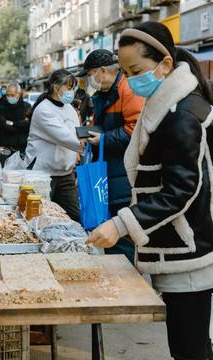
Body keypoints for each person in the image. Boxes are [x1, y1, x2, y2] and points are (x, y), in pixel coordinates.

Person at [86, 22, 213, 360]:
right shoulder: (164, 103)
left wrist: (121, 224)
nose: (129, 80)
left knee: (189, 350)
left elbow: (181, 190)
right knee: (194, 348)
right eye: (125, 72)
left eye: (136, 70)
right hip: (182, 244)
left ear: (165, 64)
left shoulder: (182, 113)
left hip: (192, 251)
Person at [78, 48, 145, 264]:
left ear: (103, 71)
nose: (89, 80)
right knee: (109, 233)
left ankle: (127, 284)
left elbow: (135, 129)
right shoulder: (104, 94)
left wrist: (103, 139)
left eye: (90, 75)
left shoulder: (128, 90)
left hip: (123, 175)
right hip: (109, 173)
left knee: (122, 237)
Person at [25, 70, 84, 221]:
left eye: (72, 88)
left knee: (74, 217)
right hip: (42, 174)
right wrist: (88, 144)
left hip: (65, 174)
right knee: (39, 218)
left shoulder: (69, 108)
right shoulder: (43, 110)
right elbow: (65, 137)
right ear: (55, 87)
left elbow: (78, 133)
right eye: (68, 87)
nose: (71, 92)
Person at [0, 83, 31, 160]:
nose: (9, 97)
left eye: (12, 95)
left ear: (18, 94)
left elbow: (28, 125)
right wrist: (21, 125)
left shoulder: (26, 107)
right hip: (6, 148)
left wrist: (12, 123)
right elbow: (4, 126)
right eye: (7, 95)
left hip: (22, 149)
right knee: (4, 170)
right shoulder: (1, 107)